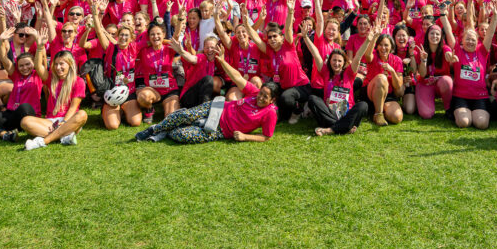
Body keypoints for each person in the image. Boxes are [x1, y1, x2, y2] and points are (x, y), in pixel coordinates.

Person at [135, 42, 280, 144]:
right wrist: (223, 62)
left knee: (182, 135)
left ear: (272, 100)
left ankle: (167, 130)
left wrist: (244, 137)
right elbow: (237, 77)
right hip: (218, 107)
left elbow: (266, 136)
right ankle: (154, 129)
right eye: (261, 93)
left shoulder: (270, 113)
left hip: (222, 130)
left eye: (265, 97)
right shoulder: (254, 92)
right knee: (185, 115)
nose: (260, 97)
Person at [21, 43, 89, 150]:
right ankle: (64, 137)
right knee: (25, 121)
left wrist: (64, 122)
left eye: (61, 64)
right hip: (50, 122)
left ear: (70, 64)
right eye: (56, 64)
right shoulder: (51, 79)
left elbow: (73, 107)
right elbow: (38, 67)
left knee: (82, 114)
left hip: (69, 120)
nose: (58, 67)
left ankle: (42, 141)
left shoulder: (79, 81)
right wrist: (39, 47)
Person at [303, 31, 368, 136]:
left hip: (347, 113)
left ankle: (330, 129)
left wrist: (369, 39)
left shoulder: (349, 73)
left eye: (339, 61)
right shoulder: (325, 72)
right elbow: (315, 53)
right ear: (330, 61)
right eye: (334, 60)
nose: (336, 64)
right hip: (329, 112)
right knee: (312, 99)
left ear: (344, 63)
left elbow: (358, 56)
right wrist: (305, 36)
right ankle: (345, 127)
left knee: (363, 105)